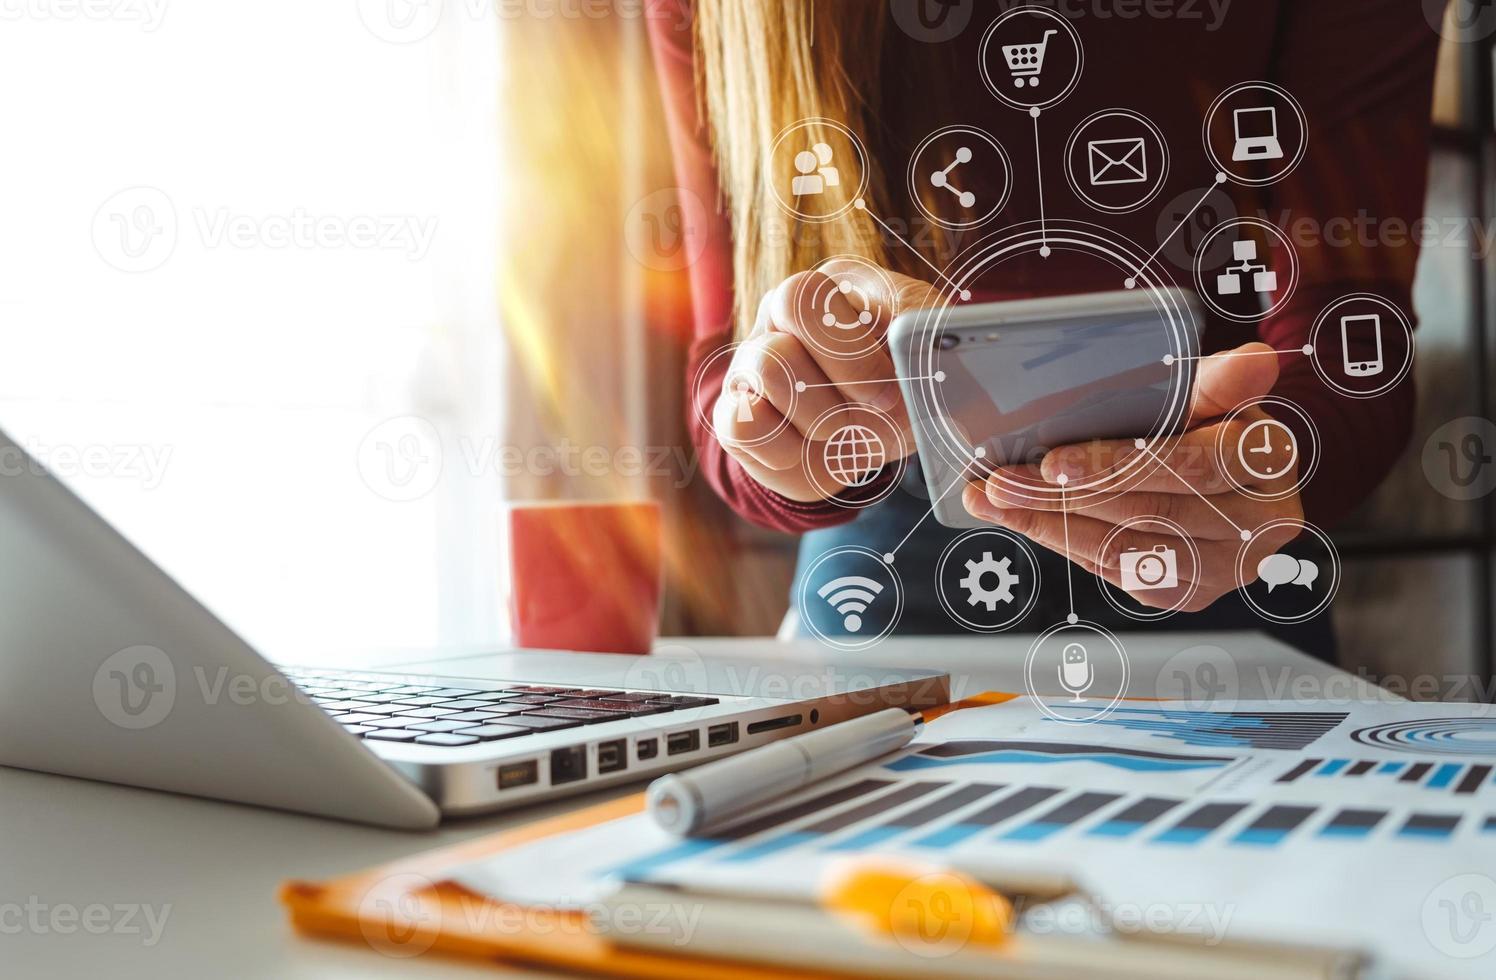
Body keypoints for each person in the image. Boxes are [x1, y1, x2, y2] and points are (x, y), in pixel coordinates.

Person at [647, 1, 1441, 659]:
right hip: (894, 537)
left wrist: (1275, 456)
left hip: (1225, 519)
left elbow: (1351, 349)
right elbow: (729, 378)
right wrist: (797, 416)